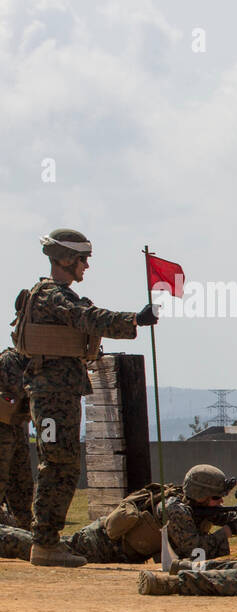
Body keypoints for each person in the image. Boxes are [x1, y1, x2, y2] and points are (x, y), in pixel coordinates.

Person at [15, 229, 157, 567]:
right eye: (82, 259)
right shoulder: (53, 296)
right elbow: (88, 318)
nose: (86, 266)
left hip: (56, 393)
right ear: (65, 259)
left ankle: (45, 541)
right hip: (53, 396)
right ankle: (45, 544)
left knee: (60, 463)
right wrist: (134, 320)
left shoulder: (51, 295)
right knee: (58, 464)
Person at [0, 464, 237, 562]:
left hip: (104, 546)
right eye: (216, 498)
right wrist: (232, 530)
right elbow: (193, 552)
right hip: (94, 547)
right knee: (26, 545)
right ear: (199, 495)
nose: (220, 504)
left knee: (29, 540)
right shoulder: (175, 510)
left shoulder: (191, 508)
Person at [0, 346, 33, 530]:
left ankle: (24, 534)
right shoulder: (10, 360)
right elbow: (20, 389)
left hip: (15, 428)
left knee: (23, 485)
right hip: (3, 428)